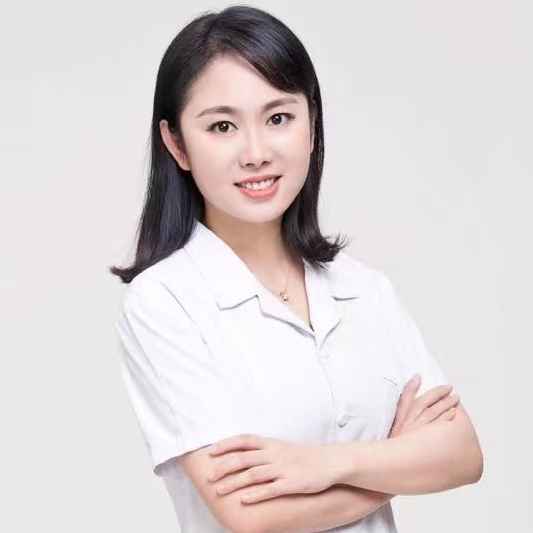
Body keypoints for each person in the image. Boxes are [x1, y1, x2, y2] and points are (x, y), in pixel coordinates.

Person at [110, 5, 483, 532]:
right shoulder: (165, 301)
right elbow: (251, 516)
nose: (256, 153)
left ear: (312, 125)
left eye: (278, 118)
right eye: (222, 126)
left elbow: (463, 455)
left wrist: (324, 465)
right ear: (177, 144)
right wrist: (399, 460)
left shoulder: (364, 289)